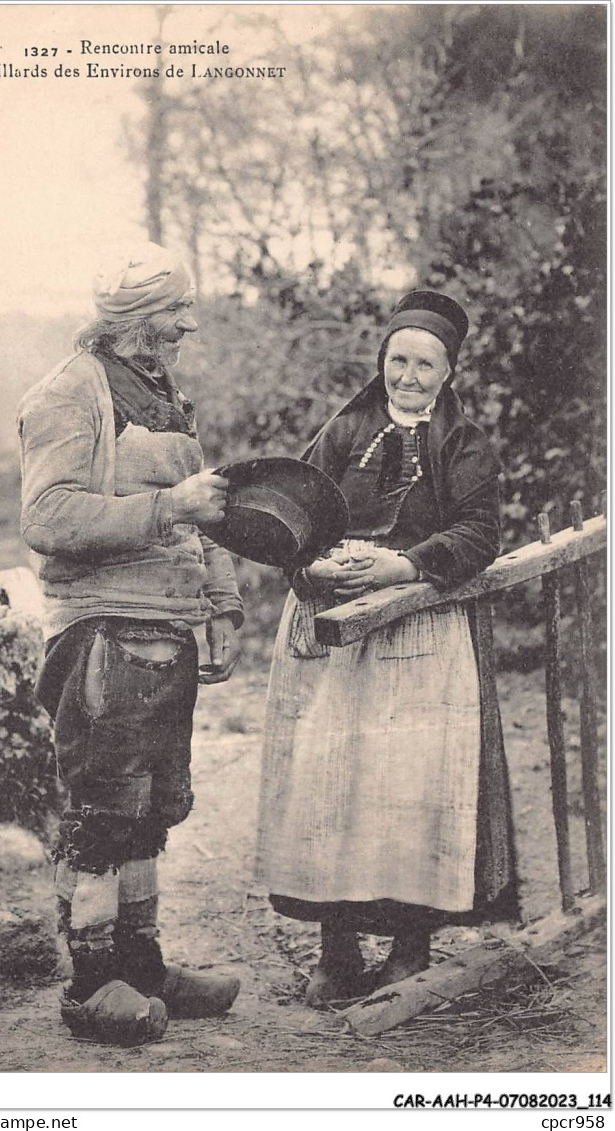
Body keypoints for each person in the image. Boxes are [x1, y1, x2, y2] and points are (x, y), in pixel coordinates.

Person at [254, 290, 517, 1008]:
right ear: (382, 361)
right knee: (327, 786)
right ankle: (335, 951)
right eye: (397, 359)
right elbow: (288, 514)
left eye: (423, 363)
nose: (407, 375)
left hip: (418, 632)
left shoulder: (462, 445)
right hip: (333, 634)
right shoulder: (344, 430)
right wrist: (311, 567)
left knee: (409, 792)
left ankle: (408, 949)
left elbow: (478, 532)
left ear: (447, 371)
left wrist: (403, 566)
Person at [17, 244, 244, 1045]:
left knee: (152, 811)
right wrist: (166, 509)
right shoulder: (66, 395)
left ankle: (142, 967)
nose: (188, 321)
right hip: (101, 636)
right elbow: (48, 517)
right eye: (175, 309)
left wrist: (220, 599)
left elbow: (202, 504)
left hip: (167, 632)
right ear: (132, 317)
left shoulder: (161, 390)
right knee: (99, 818)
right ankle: (90, 986)